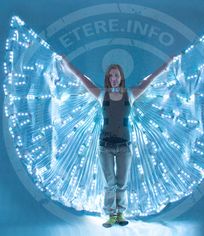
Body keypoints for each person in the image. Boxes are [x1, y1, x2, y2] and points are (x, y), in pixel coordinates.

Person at [62, 57, 172, 227]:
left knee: (121, 182)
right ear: (108, 77)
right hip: (105, 146)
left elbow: (148, 80)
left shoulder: (129, 94)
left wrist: (165, 66)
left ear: (121, 78)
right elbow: (82, 78)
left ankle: (120, 213)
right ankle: (111, 214)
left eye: (117, 75)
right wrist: (66, 63)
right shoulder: (101, 94)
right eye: (112, 75)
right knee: (109, 183)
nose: (114, 78)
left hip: (124, 146)